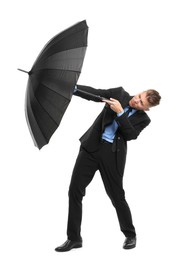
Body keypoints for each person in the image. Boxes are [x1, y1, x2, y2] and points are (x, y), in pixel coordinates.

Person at [55, 84, 161, 252]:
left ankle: (130, 234)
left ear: (146, 109)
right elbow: (96, 94)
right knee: (74, 190)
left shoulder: (144, 120)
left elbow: (130, 135)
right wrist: (73, 88)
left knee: (117, 196)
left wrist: (120, 112)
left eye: (141, 103)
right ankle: (74, 238)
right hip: (91, 148)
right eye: (139, 96)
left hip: (112, 156)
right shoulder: (119, 94)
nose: (136, 101)